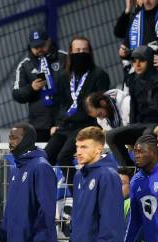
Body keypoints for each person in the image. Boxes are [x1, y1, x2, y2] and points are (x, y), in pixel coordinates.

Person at [45, 36, 110, 189]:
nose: (81, 54)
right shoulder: (63, 76)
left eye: (84, 50)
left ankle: (78, 194)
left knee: (64, 157)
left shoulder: (99, 75)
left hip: (87, 125)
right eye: (77, 50)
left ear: (90, 53)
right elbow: (58, 103)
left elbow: (104, 105)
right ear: (70, 53)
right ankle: (43, 195)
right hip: (66, 126)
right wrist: (56, 124)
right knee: (45, 158)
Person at [106, 45, 158, 166]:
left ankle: (147, 171)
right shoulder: (133, 81)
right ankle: (128, 170)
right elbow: (134, 109)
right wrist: (132, 128)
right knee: (111, 135)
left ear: (149, 61)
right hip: (141, 125)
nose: (137, 65)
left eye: (141, 60)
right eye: (134, 61)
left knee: (144, 137)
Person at [12, 29, 67, 142]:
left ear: (49, 41)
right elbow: (16, 94)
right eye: (35, 47)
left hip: (64, 121)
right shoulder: (25, 65)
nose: (39, 49)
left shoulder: (64, 58)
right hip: (39, 125)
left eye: (42, 45)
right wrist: (31, 88)